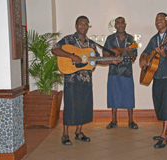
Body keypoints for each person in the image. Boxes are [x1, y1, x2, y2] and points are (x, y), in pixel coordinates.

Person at [52, 16, 121, 145]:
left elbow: (98, 60)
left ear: (88, 26)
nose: (83, 26)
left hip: (86, 80)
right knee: (70, 106)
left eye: (85, 24)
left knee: (83, 106)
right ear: (76, 25)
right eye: (80, 24)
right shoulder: (69, 40)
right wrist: (72, 56)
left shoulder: (91, 44)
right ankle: (65, 134)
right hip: (71, 79)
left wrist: (112, 61)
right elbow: (55, 49)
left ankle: (79, 132)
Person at [139, 12, 167, 148]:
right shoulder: (154, 39)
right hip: (156, 75)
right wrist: (142, 59)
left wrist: (165, 55)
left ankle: (163, 136)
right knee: (158, 103)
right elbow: (145, 52)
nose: (159, 21)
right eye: (157, 19)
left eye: (161, 19)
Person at [103, 17, 138, 129]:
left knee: (129, 96)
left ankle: (131, 121)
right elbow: (104, 55)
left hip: (127, 72)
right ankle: (113, 121)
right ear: (115, 26)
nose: (120, 25)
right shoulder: (110, 39)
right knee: (113, 96)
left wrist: (129, 51)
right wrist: (113, 51)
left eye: (122, 22)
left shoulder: (131, 39)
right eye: (118, 23)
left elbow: (134, 57)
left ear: (125, 24)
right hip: (113, 71)